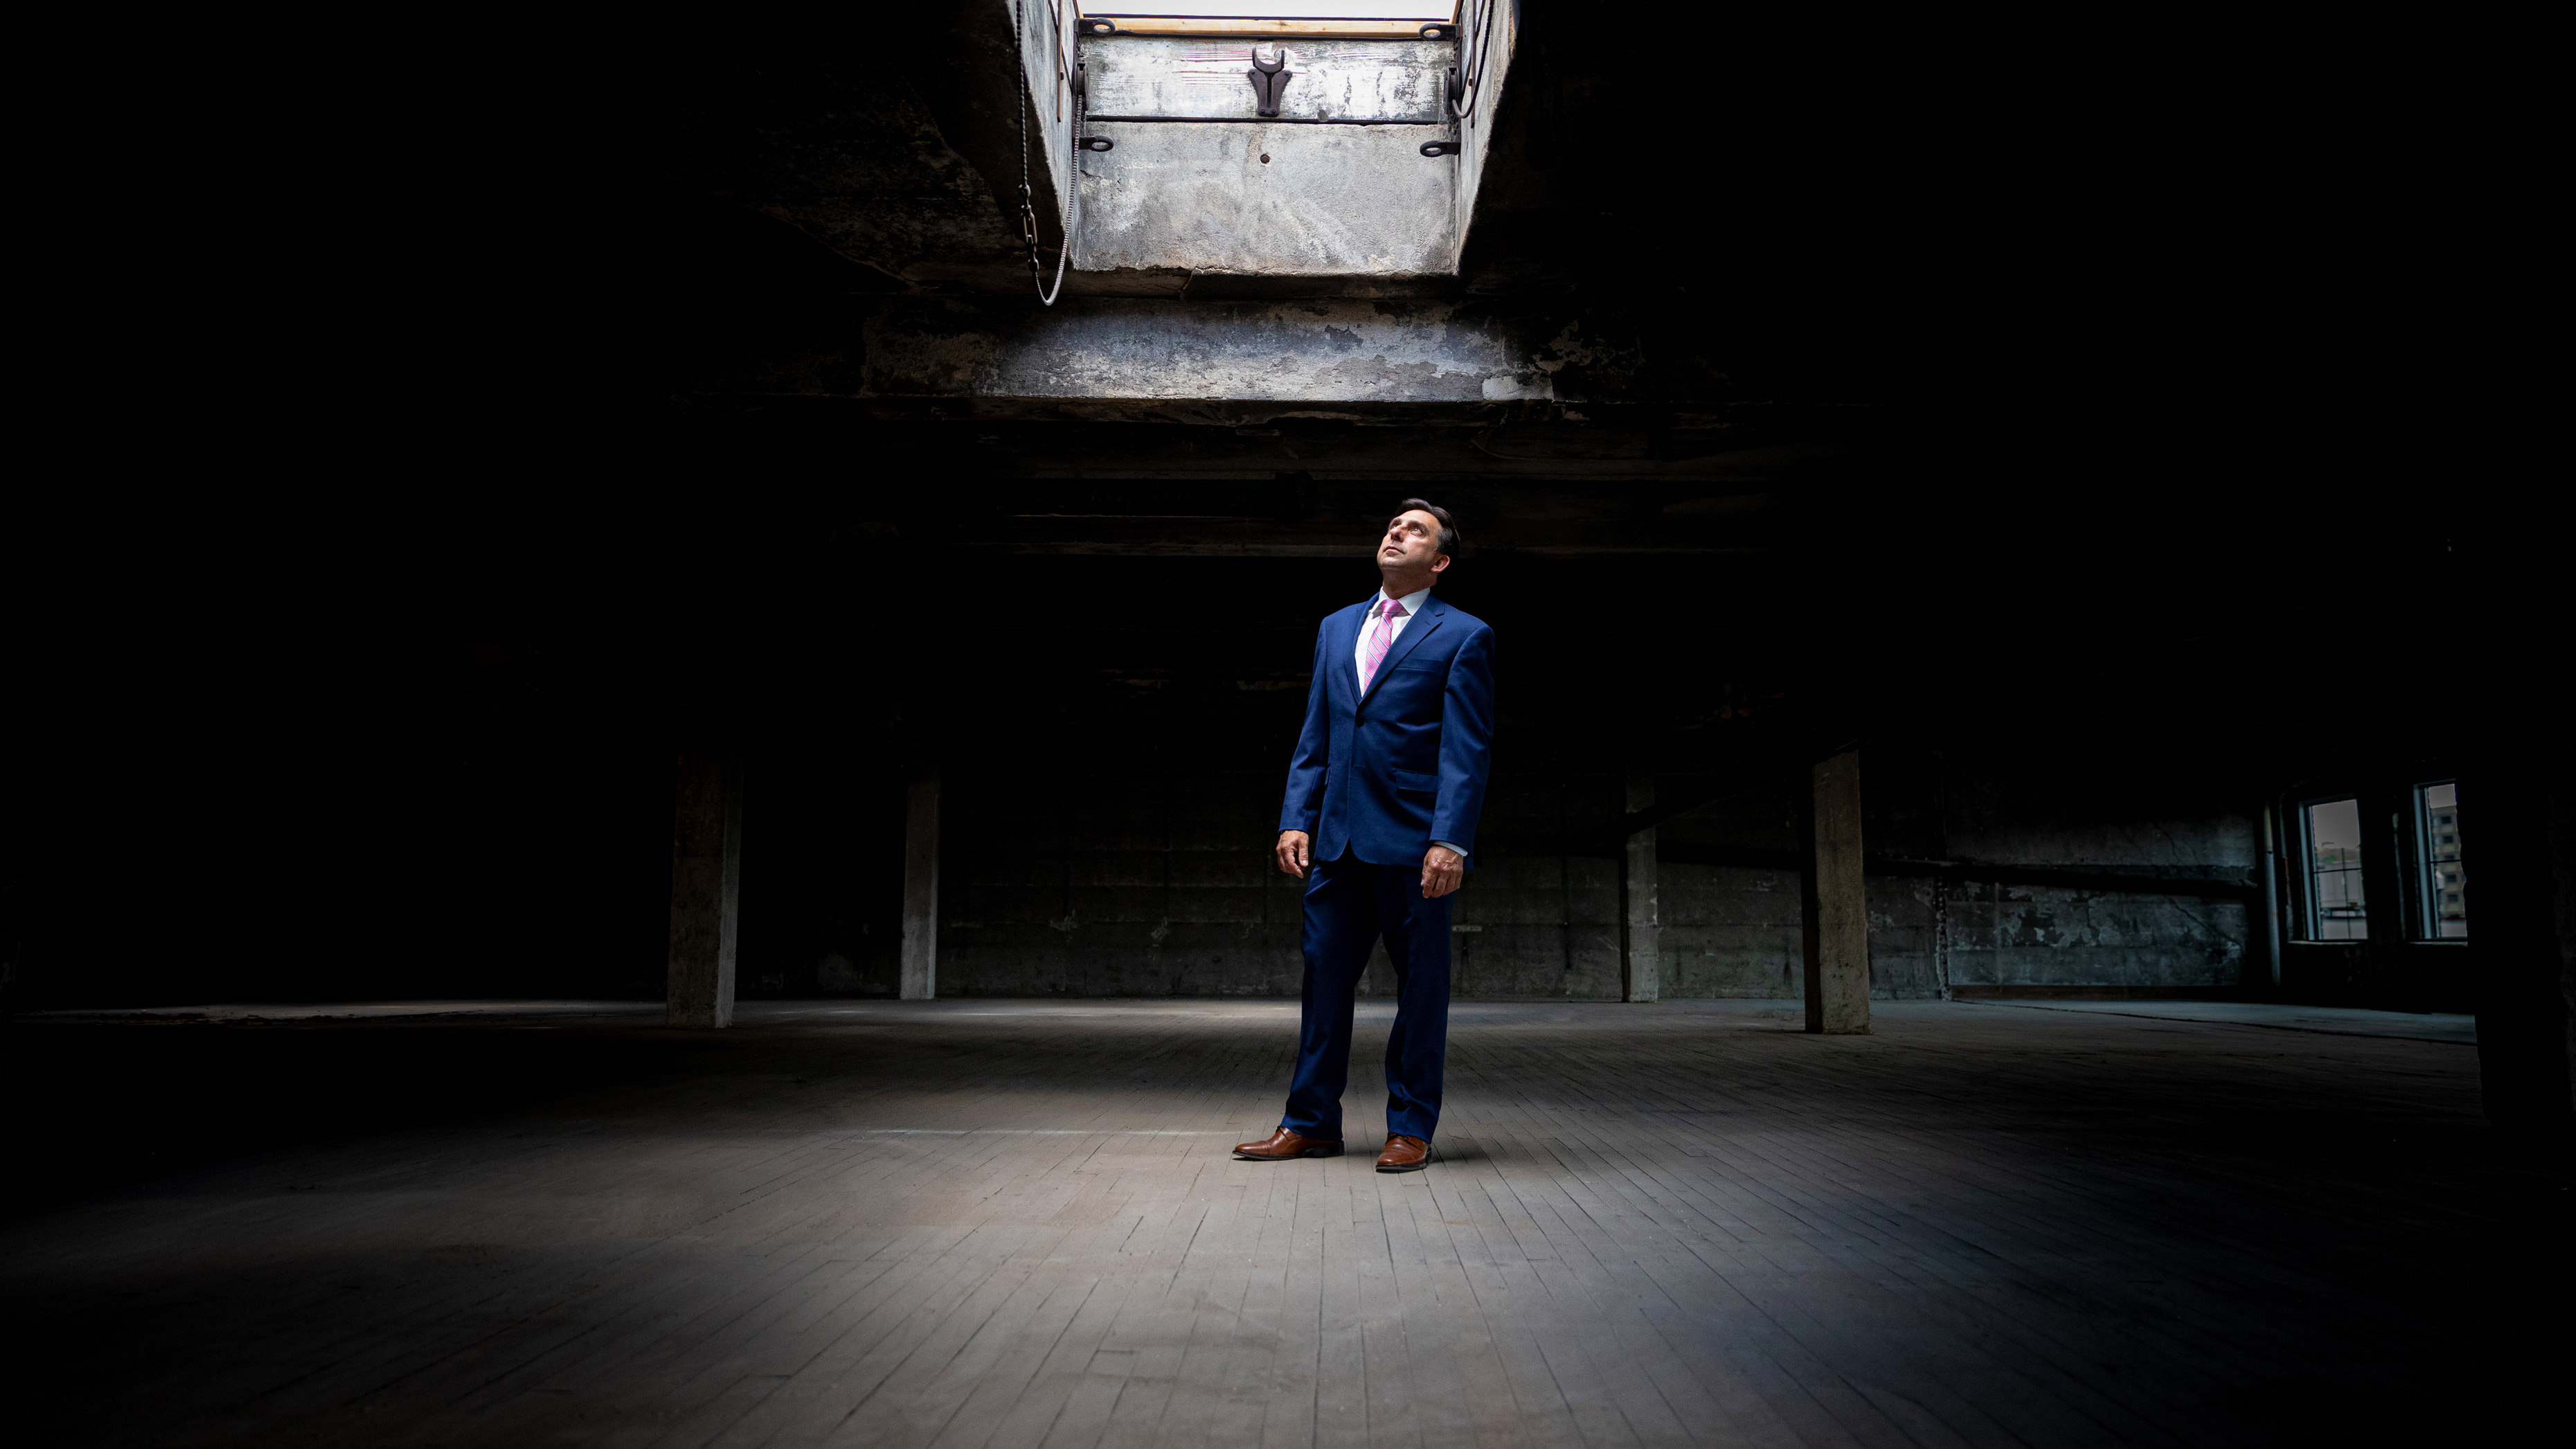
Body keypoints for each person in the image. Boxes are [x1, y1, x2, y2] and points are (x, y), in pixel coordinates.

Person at [1234, 501, 1495, 1173]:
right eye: (1392, 526)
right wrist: (1298, 816)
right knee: (1323, 984)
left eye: (1415, 531)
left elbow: (1466, 750)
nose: (1395, 534)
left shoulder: (1464, 635)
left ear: (1438, 562)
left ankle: (1410, 1126)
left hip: (1415, 845)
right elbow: (1316, 734)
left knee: (1422, 991)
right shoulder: (1336, 628)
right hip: (1338, 842)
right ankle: (1311, 1122)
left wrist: (1451, 840)